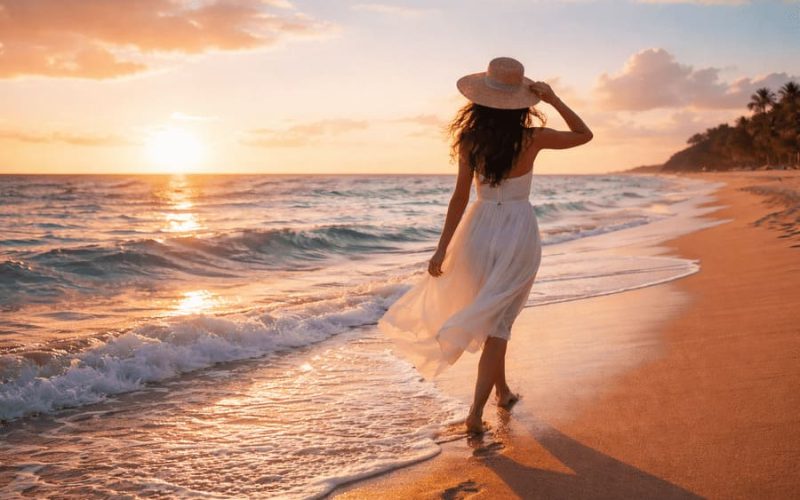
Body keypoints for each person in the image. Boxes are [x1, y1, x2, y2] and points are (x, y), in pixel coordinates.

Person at [377, 56, 593, 434]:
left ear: (479, 101)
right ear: (521, 101)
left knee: (495, 317)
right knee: (500, 322)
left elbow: (459, 198)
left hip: (476, 232)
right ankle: (475, 413)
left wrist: (442, 247)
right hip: (516, 231)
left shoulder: (469, 139)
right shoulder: (532, 138)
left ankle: (503, 391)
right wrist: (555, 100)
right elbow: (583, 135)